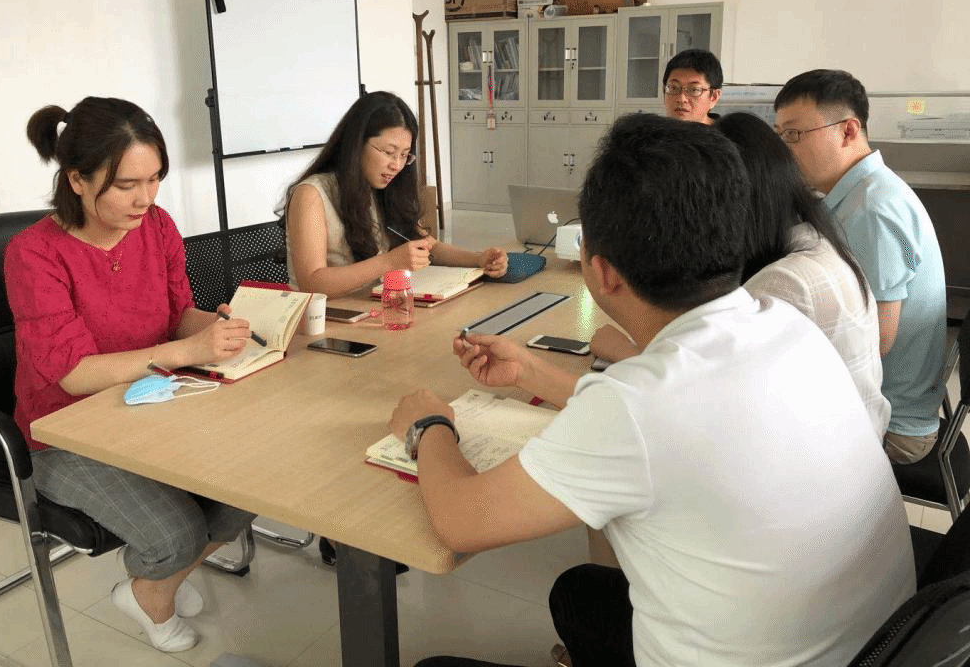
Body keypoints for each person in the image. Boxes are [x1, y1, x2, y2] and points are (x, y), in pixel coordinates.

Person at [392, 114, 914, 667]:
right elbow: (659, 417)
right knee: (583, 592)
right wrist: (529, 373)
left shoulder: (636, 407)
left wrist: (429, 425)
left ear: (602, 272)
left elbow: (461, 522)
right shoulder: (786, 326)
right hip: (882, 647)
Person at [5, 97, 257, 653]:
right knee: (175, 534)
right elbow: (73, 376)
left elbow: (178, 315)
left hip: (154, 402)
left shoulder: (156, 226)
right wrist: (187, 349)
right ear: (77, 180)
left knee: (255, 482)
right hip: (65, 433)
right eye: (126, 185)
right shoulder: (34, 255)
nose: (146, 198)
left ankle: (155, 585)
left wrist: (227, 328)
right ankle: (154, 589)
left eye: (155, 178)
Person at [591, 111, 890, 439]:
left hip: (831, 449)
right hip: (848, 440)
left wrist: (625, 349)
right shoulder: (814, 241)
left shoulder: (782, 284)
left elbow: (691, 399)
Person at [774, 69, 947, 464]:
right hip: (890, 403)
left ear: (848, 131)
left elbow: (875, 341)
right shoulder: (862, 192)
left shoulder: (872, 209)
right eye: (780, 135)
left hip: (893, 425)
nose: (784, 150)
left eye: (794, 134)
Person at [282, 91, 508, 298]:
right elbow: (312, 283)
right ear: (356, 144)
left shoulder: (383, 187)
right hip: (327, 318)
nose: (397, 165)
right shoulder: (312, 195)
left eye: (404, 155)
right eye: (389, 152)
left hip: (374, 307)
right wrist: (389, 262)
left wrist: (478, 259)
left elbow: (427, 246)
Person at [662, 48, 722, 124]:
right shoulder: (653, 130)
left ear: (713, 97)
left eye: (694, 90)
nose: (681, 99)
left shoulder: (728, 131)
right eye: (673, 88)